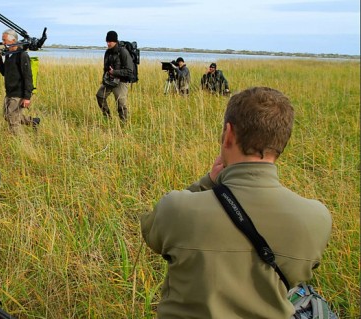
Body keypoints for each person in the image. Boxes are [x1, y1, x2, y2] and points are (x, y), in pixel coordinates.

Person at [140, 87, 332, 318]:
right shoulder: (317, 218)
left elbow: (150, 233)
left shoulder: (177, 208)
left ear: (228, 134)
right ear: (282, 141)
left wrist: (206, 183)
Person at [0, 29, 40, 133]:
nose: (3, 42)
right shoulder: (8, 54)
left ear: (13, 40)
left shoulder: (22, 55)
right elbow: (4, 72)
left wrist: (27, 97)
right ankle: (33, 121)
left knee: (13, 120)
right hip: (10, 92)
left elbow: (28, 77)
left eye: (4, 40)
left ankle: (19, 143)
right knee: (7, 116)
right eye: (2, 40)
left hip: (18, 92)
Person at [96, 30, 134, 122]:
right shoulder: (107, 52)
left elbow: (129, 71)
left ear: (115, 41)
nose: (108, 44)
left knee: (121, 103)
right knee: (100, 96)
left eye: (110, 42)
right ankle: (107, 118)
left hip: (121, 81)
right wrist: (104, 79)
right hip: (109, 80)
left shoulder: (123, 52)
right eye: (107, 42)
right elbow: (105, 68)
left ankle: (123, 124)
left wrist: (114, 72)